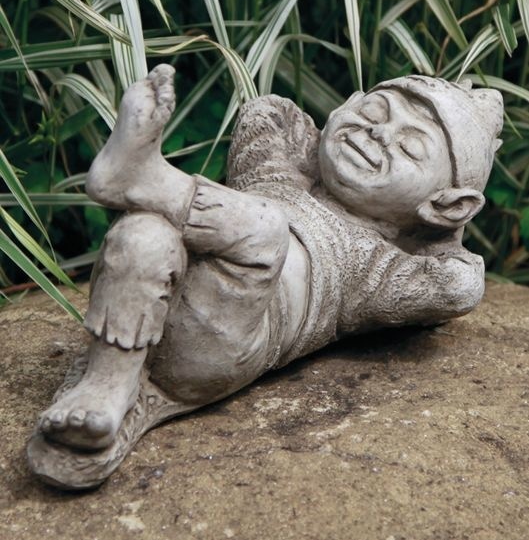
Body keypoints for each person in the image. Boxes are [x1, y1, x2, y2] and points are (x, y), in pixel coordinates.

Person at [36, 65, 503, 453]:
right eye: (372, 111)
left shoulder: (379, 267)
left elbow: (459, 285)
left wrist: (443, 230)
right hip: (147, 300)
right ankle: (107, 389)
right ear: (346, 105)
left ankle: (142, 180)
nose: (378, 132)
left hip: (223, 345)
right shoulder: (277, 173)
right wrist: (322, 143)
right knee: (142, 233)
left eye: (409, 147)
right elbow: (268, 110)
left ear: (447, 205)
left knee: (266, 228)